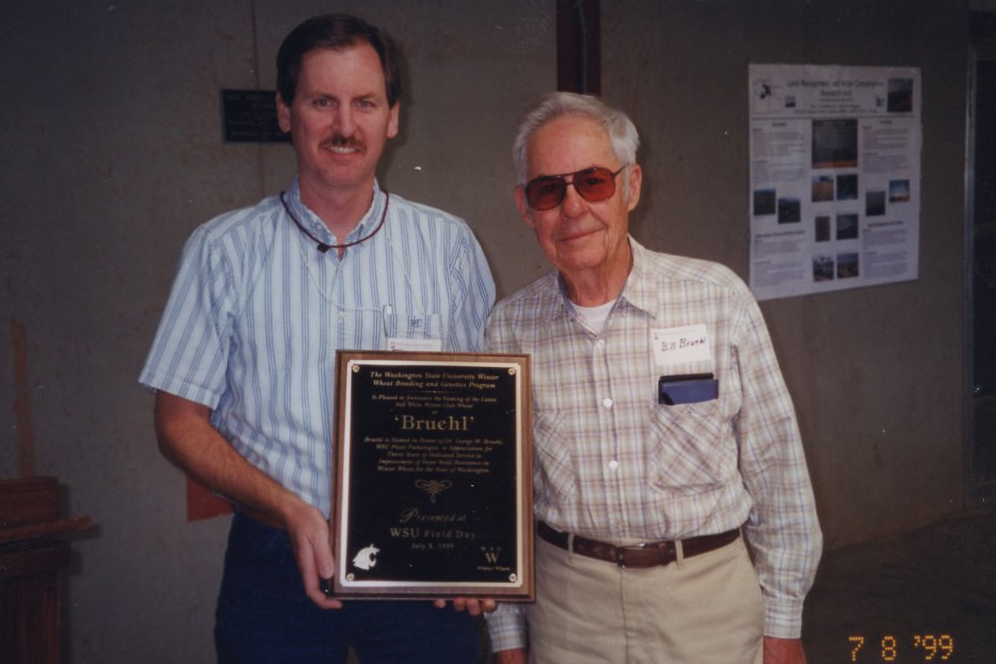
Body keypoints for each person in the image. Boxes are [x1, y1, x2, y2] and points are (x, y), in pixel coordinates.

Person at [139, 14, 496, 664]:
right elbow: (178, 421)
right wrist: (289, 509)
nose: (344, 125)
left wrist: (478, 542)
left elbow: (485, 424)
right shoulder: (223, 251)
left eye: (365, 103)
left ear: (392, 116)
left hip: (425, 562)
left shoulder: (448, 247)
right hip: (275, 558)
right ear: (286, 112)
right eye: (322, 102)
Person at [484, 92, 822, 664]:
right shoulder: (508, 330)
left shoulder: (718, 302)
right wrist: (508, 640)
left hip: (707, 609)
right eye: (549, 190)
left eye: (592, 182)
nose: (572, 208)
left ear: (631, 186)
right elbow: (497, 505)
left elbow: (778, 475)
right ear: (525, 207)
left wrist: (784, 625)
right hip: (566, 618)